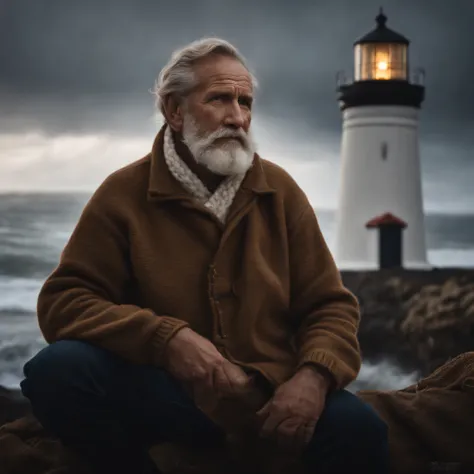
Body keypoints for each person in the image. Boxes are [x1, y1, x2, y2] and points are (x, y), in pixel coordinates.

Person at [20, 37, 389, 474]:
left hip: (270, 397)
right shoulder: (122, 195)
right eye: (219, 99)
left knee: (362, 430)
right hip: (170, 395)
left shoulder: (280, 192)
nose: (238, 117)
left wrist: (313, 377)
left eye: (245, 102)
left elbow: (330, 305)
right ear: (174, 111)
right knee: (56, 371)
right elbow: (64, 302)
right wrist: (167, 340)